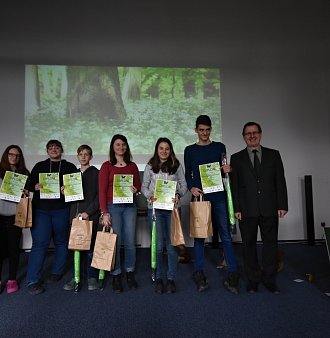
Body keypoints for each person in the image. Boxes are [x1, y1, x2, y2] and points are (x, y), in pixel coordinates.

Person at [230, 122, 288, 294]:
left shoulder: (274, 155)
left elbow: (280, 181)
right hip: (246, 210)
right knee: (248, 246)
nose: (252, 136)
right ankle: (253, 280)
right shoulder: (236, 158)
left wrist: (282, 205)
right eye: (248, 133)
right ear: (243, 137)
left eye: (255, 132)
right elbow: (235, 186)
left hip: (270, 207)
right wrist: (236, 208)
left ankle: (270, 279)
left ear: (260, 134)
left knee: (270, 245)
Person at [184, 115, 239, 293]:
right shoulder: (189, 150)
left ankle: (232, 272)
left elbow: (225, 171)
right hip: (200, 198)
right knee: (199, 237)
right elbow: (188, 175)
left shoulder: (219, 147)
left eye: (207, 130)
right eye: (201, 130)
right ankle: (199, 272)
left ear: (211, 130)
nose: (205, 133)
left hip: (219, 197)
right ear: (196, 131)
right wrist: (192, 187)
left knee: (226, 235)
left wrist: (227, 170)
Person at [26, 140, 77, 295]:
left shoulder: (69, 167)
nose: (54, 149)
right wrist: (33, 187)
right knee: (40, 243)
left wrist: (67, 191)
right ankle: (33, 280)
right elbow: (27, 185)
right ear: (47, 151)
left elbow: (76, 189)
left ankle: (57, 272)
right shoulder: (39, 166)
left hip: (62, 209)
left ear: (61, 150)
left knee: (61, 242)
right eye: (51, 148)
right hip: (41, 210)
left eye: (56, 147)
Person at [142, 137, 187, 294]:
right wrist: (149, 196)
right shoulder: (149, 166)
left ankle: (171, 279)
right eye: (161, 148)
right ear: (157, 149)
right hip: (155, 209)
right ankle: (159, 278)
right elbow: (144, 187)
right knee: (159, 247)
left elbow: (184, 185)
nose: (164, 151)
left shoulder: (176, 165)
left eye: (167, 148)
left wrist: (178, 195)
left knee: (172, 246)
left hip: (172, 210)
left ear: (170, 150)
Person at [99, 134, 141, 293]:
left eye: (123, 144)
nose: (121, 147)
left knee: (130, 240)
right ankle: (116, 273)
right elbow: (101, 191)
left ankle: (130, 271)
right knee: (115, 240)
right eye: (117, 145)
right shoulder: (106, 166)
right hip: (112, 207)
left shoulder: (133, 166)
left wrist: (135, 189)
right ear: (112, 147)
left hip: (130, 206)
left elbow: (137, 185)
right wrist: (104, 212)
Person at [63, 145, 100, 292]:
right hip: (75, 217)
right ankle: (76, 277)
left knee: (90, 248)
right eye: (81, 154)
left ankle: (92, 277)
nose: (83, 157)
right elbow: (71, 199)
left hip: (90, 216)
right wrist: (65, 191)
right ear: (77, 156)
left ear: (91, 157)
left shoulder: (97, 173)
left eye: (86, 154)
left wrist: (88, 212)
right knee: (76, 247)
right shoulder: (73, 175)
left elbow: (99, 197)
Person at [0, 145, 29, 294]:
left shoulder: (24, 174)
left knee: (13, 250)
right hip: (0, 215)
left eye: (17, 155)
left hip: (15, 216)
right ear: (6, 155)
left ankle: (12, 279)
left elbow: (29, 196)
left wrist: (26, 192)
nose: (14, 157)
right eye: (11, 154)